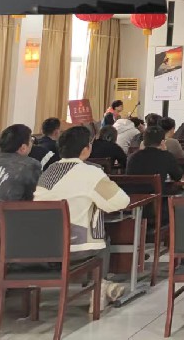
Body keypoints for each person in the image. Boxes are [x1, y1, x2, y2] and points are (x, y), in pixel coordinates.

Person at [34, 126, 130, 310]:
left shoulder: (48, 173)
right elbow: (121, 201)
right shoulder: (91, 173)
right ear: (86, 149)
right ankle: (100, 288)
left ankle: (103, 287)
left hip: (44, 246)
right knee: (102, 237)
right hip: (77, 247)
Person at [0, 124, 41, 201]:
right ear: (23, 148)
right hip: (10, 208)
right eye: (31, 140)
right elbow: (32, 197)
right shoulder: (31, 164)